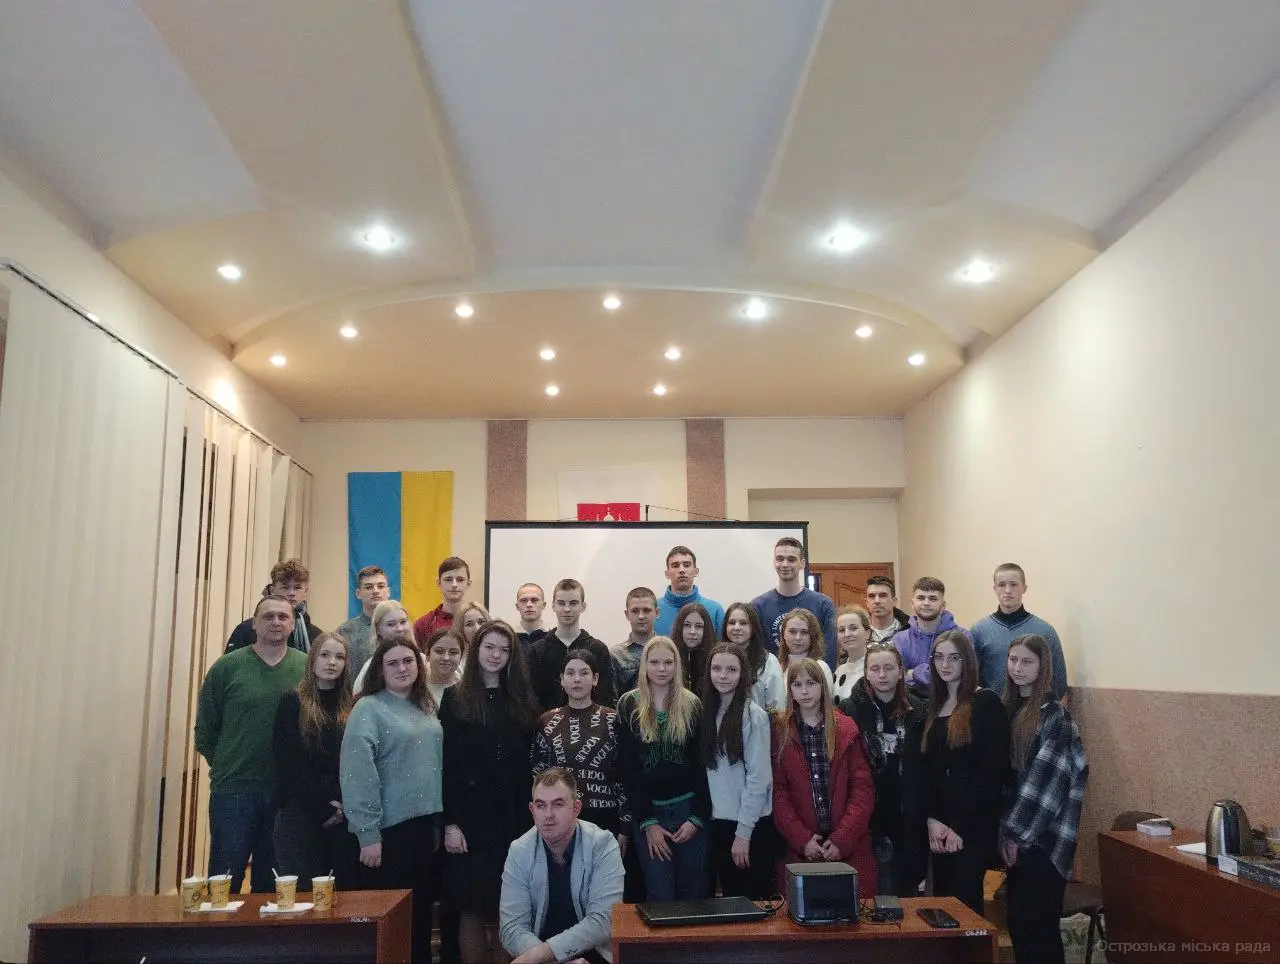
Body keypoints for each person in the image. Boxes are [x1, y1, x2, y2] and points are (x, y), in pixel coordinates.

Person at [440, 621, 542, 964]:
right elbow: (448, 767)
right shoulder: (455, 698)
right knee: (471, 907)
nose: (496, 655)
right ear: (476, 651)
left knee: (507, 908)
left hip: (513, 818)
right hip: (469, 821)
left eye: (504, 649)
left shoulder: (523, 699)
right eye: (489, 647)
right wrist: (451, 822)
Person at [340, 636, 443, 964]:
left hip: (424, 828)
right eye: (393, 663)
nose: (402, 668)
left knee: (420, 916)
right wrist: (367, 833)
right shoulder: (368, 708)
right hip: (386, 831)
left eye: (408, 661)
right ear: (380, 670)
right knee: (390, 922)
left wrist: (437, 823)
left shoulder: (425, 705)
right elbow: (357, 772)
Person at [195, 595, 308, 893]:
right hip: (234, 791)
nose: (276, 622)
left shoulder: (306, 668)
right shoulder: (227, 667)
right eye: (268, 616)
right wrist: (228, 763)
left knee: (274, 885)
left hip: (285, 794)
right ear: (254, 624)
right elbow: (205, 729)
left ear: (293, 625)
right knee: (224, 880)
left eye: (283, 617)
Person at [906, 629, 1010, 915]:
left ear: (967, 661)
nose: (945, 664)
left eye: (954, 658)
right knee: (943, 909)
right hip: (938, 826)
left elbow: (990, 774)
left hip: (971, 826)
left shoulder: (985, 703)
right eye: (939, 657)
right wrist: (931, 820)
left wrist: (959, 827)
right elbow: (924, 774)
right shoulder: (929, 709)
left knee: (966, 908)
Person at [1001, 635, 1088, 964]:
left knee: (1038, 932)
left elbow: (1046, 786)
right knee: (1021, 928)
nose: (1018, 668)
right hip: (1019, 836)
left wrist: (1016, 835)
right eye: (1013, 660)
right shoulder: (1011, 709)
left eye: (1027, 661)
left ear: (1043, 667)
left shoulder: (1055, 716)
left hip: (1045, 841)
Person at [615, 636, 711, 901]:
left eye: (668, 663)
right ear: (644, 665)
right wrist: (648, 823)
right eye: (654, 662)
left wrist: (697, 818)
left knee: (692, 895)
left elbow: (700, 766)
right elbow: (629, 771)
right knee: (660, 894)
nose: (661, 669)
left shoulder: (691, 704)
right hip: (650, 814)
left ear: (676, 665)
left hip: (687, 810)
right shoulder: (628, 705)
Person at [771, 658, 877, 893]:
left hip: (848, 848)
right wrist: (802, 839)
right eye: (797, 685)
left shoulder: (846, 728)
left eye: (811, 683)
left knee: (853, 910)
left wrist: (843, 839)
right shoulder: (780, 731)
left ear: (823, 686)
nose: (804, 691)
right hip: (801, 851)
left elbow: (862, 790)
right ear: (790, 690)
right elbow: (778, 794)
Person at [498, 768, 625, 964]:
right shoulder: (519, 850)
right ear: (532, 810)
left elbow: (603, 920)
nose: (548, 814)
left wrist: (544, 954)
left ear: (576, 808)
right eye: (541, 805)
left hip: (595, 956)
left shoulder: (603, 845)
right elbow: (511, 928)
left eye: (557, 804)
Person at [272, 632, 359, 892]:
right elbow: (289, 763)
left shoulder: (353, 706)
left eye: (339, 657)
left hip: (343, 814)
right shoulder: (292, 702)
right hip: (301, 813)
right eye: (325, 655)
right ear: (312, 660)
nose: (332, 662)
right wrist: (323, 807)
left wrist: (340, 805)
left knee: (341, 895)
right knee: (303, 895)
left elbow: (354, 761)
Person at [838, 643, 924, 896]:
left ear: (901, 671)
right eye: (875, 669)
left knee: (903, 890)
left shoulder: (919, 710)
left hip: (906, 812)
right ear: (866, 672)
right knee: (868, 890)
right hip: (866, 813)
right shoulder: (849, 710)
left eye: (889, 668)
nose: (882, 675)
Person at [531, 649, 630, 856]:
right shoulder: (546, 722)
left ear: (595, 679)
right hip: (559, 817)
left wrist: (625, 826)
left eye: (584, 673)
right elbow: (537, 776)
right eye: (570, 673)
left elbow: (624, 776)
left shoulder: (613, 720)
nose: (577, 679)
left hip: (605, 817)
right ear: (561, 679)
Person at [700, 642, 778, 899]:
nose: (723, 675)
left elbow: (759, 780)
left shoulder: (753, 715)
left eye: (731, 670)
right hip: (719, 824)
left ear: (743, 673)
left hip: (749, 827)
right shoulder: (707, 713)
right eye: (717, 669)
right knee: (730, 905)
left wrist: (743, 834)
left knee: (752, 907)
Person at [972, 564, 1068, 699]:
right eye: (1001, 585)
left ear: (1024, 588)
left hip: (1034, 709)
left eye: (1013, 584)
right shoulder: (979, 631)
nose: (1007, 590)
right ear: (995, 589)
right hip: (991, 708)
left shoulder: (1045, 631)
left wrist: (1041, 707)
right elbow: (971, 678)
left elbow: (1058, 680)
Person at [529, 579, 617, 711]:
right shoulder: (537, 651)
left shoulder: (598, 649)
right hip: (546, 723)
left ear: (583, 606)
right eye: (561, 603)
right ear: (553, 606)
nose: (567, 609)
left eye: (573, 603)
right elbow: (531, 699)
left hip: (591, 723)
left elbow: (606, 698)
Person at [752, 537, 836, 666]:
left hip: (813, 676)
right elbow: (755, 652)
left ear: (802, 563)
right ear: (774, 562)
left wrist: (816, 675)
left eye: (791, 559)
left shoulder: (823, 604)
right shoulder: (758, 606)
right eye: (780, 559)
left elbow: (829, 653)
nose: (785, 564)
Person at [225, 559, 323, 654]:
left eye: (297, 588)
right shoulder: (246, 630)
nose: (292, 593)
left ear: (305, 592)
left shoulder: (316, 636)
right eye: (285, 587)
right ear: (272, 590)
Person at [893, 577, 969, 694]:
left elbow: (962, 677)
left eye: (933, 598)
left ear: (943, 605)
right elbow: (897, 680)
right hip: (910, 703)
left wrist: (914, 673)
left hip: (953, 702)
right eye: (921, 598)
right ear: (912, 603)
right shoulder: (900, 639)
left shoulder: (963, 637)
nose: (926, 603)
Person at [722, 602, 785, 712]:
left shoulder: (768, 661)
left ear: (753, 627)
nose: (736, 627)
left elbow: (777, 708)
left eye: (743, 623)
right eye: (732, 623)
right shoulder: (717, 659)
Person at [654, 546, 724, 638]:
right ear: (667, 574)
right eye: (675, 566)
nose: (681, 570)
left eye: (686, 565)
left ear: (696, 571)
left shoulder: (715, 610)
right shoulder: (652, 610)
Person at [352, 599, 418, 695]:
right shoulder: (369, 669)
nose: (399, 629)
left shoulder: (422, 661)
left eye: (403, 622)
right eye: (391, 624)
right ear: (378, 629)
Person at [335, 565, 390, 677]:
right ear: (358, 594)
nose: (375, 591)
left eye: (380, 586)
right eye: (369, 587)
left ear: (388, 592)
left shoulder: (400, 628)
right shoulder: (344, 632)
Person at [413, 556, 472, 646]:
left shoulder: (477, 622)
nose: (454, 584)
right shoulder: (423, 625)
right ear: (439, 583)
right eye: (448, 579)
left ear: (468, 583)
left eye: (460, 580)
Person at [610, 587, 656, 697]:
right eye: (635, 611)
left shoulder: (669, 651)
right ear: (627, 614)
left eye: (646, 610)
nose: (641, 616)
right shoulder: (615, 655)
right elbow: (612, 698)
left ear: (657, 612)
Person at [777, 608, 834, 689]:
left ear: (813, 636)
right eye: (792, 631)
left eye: (804, 632)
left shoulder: (821, 667)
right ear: (783, 634)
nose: (798, 638)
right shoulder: (778, 667)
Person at [832, 605, 872, 703]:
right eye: (842, 630)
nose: (847, 634)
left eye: (853, 628)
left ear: (867, 633)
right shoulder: (839, 671)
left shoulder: (876, 669)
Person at [672, 601, 714, 692]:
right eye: (687, 625)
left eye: (699, 626)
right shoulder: (670, 656)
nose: (692, 632)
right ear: (679, 627)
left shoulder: (714, 658)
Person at [424, 627, 465, 706]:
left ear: (461, 657)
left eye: (453, 652)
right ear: (427, 655)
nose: (446, 658)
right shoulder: (416, 689)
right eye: (439, 651)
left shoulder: (469, 690)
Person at [865, 576, 910, 645]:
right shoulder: (857, 631)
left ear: (894, 601)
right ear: (866, 602)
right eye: (872, 596)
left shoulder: (911, 629)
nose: (877, 601)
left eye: (883, 595)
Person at [515, 583, 549, 648]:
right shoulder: (508, 638)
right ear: (517, 606)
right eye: (523, 600)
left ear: (543, 605)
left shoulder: (555, 637)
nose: (529, 604)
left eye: (534, 600)